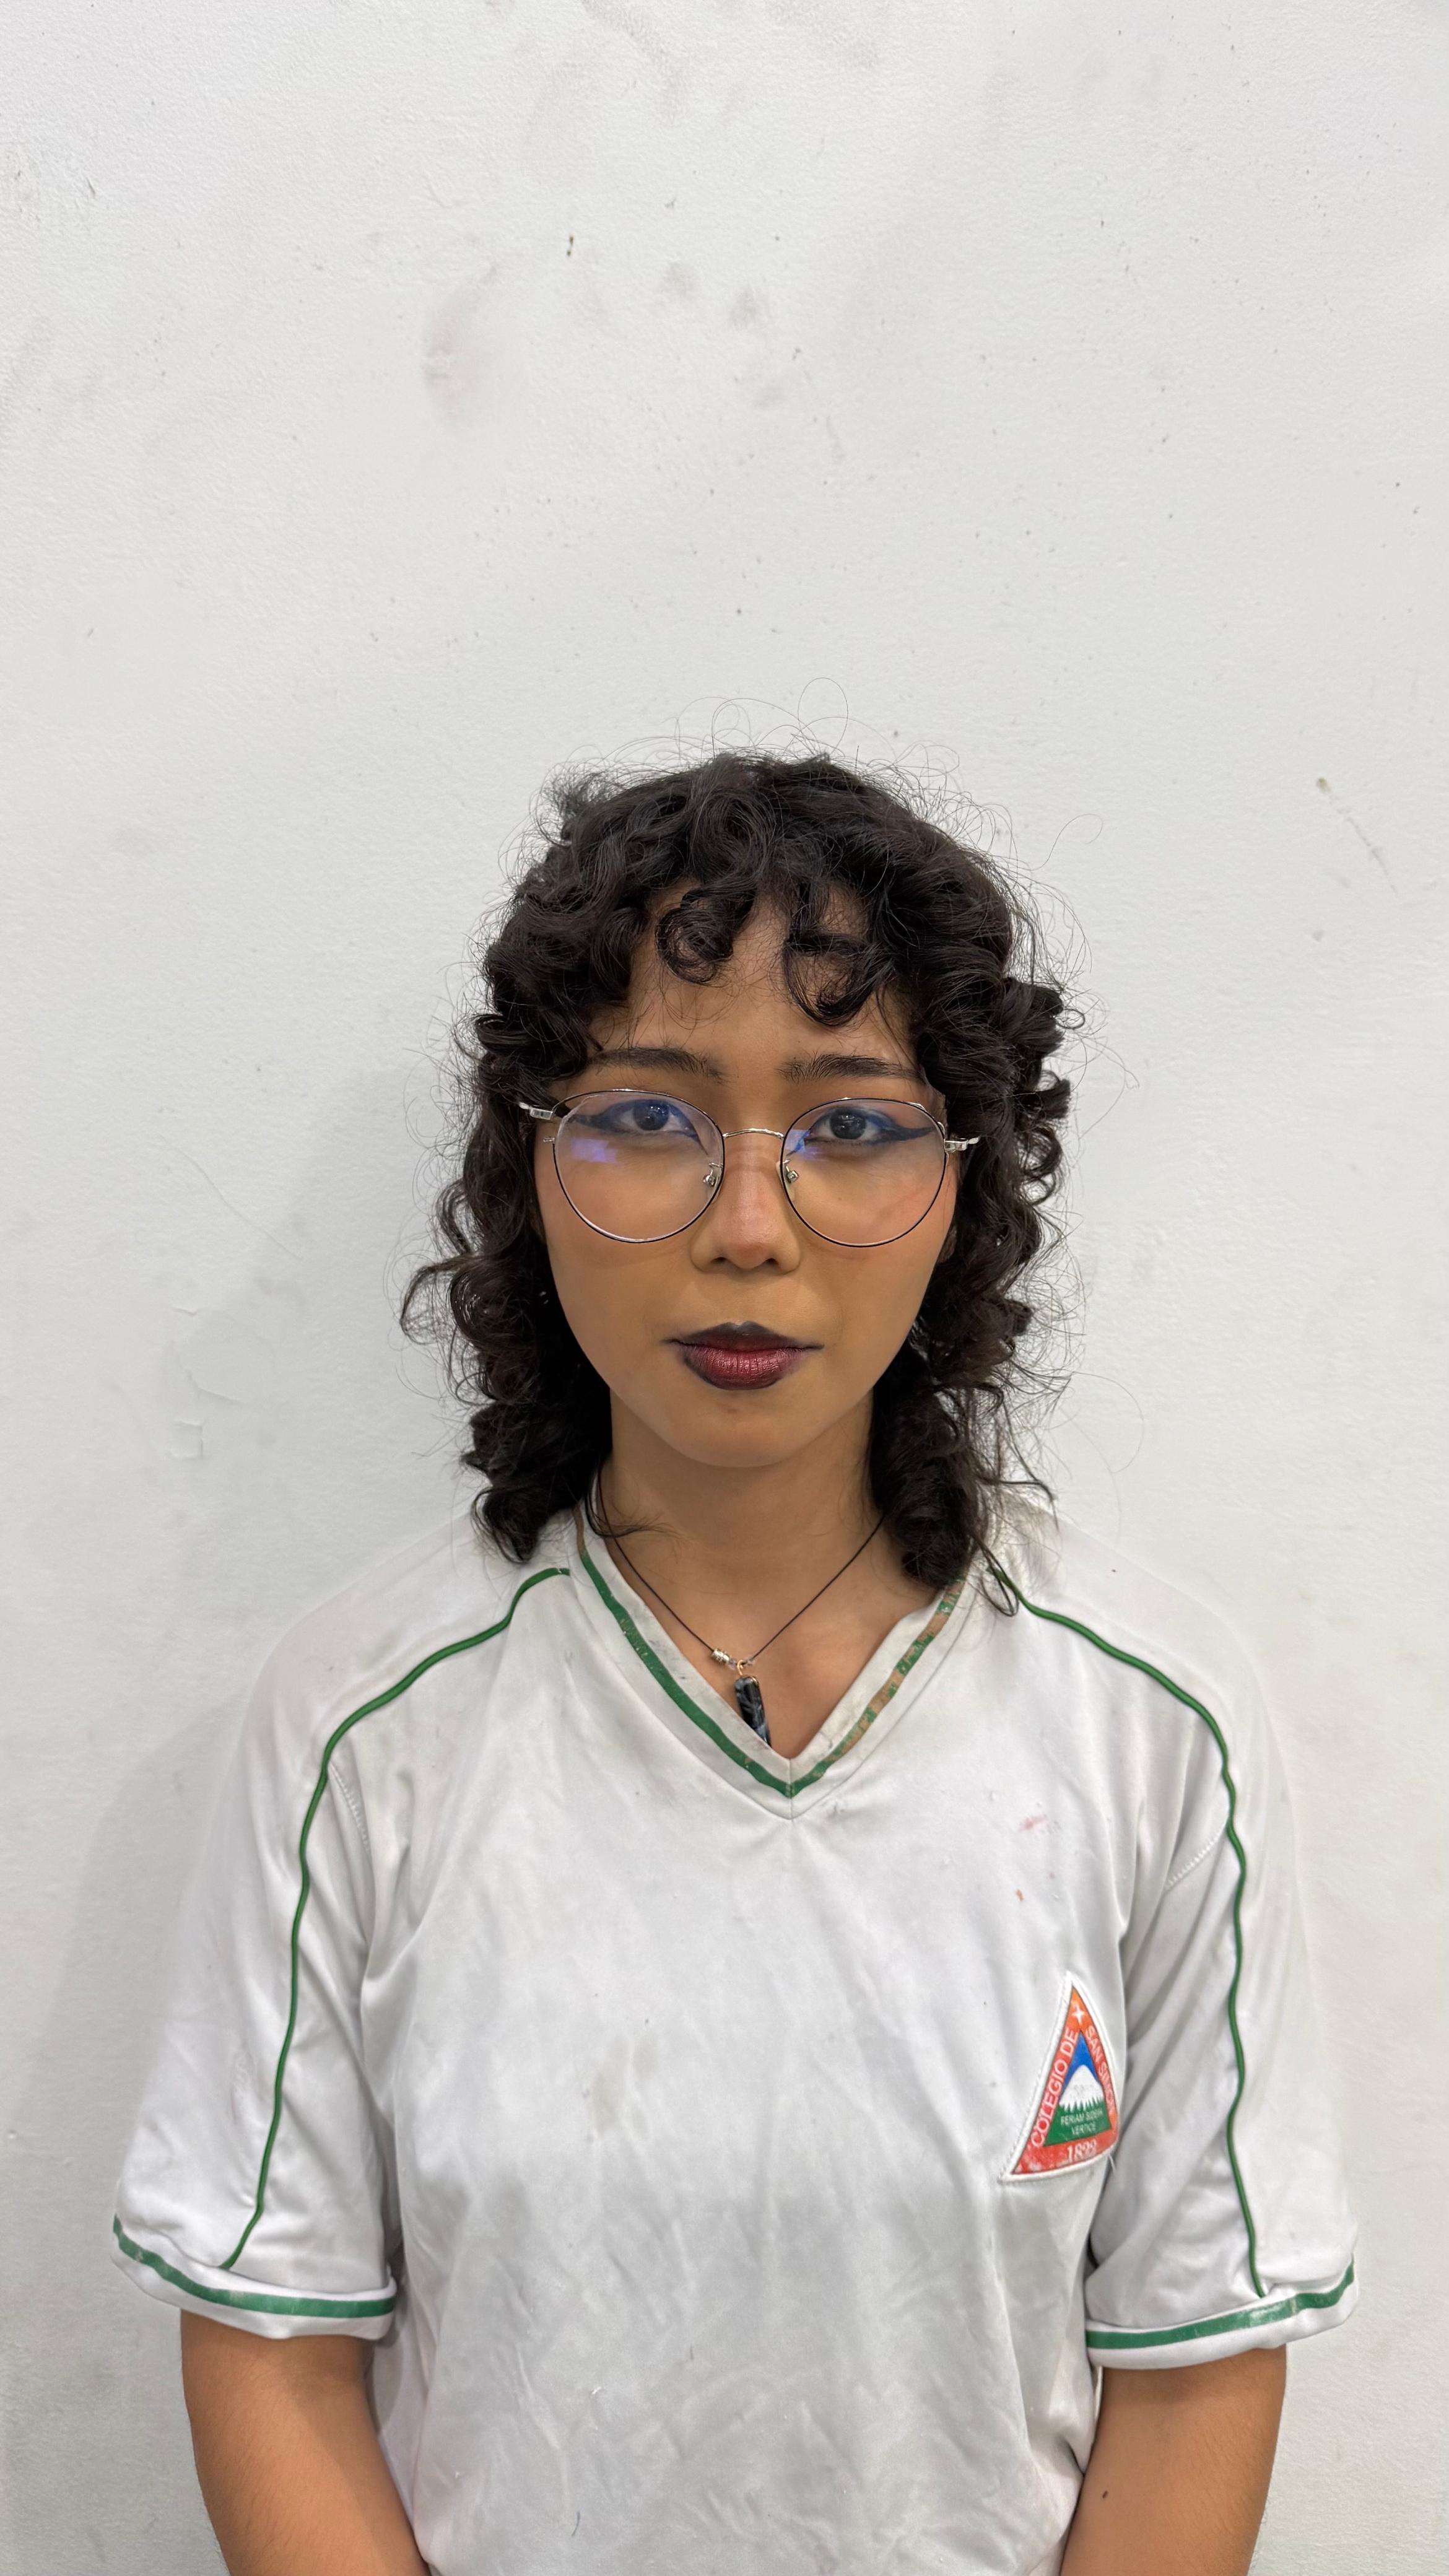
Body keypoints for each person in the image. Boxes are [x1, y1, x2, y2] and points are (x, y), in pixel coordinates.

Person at [112, 752, 1356, 2575]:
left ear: (962, 1184)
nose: (749, 1225)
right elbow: (271, 2343)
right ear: (532, 1167)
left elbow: (1194, 2357)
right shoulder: (365, 1724)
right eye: (648, 1116)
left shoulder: (1150, 1723)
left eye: (849, 1125)